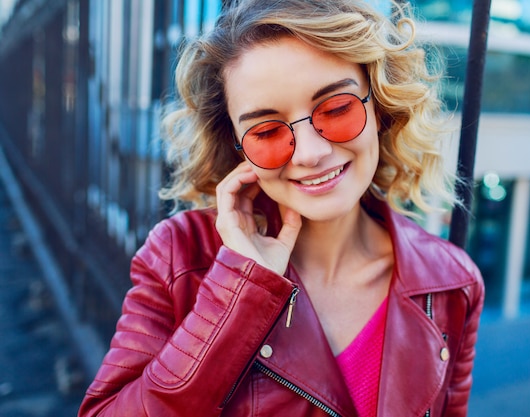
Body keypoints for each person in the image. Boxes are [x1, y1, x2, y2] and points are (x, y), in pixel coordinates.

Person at [78, 0, 484, 416]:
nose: (310, 153)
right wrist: (239, 290)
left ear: (379, 106)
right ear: (237, 149)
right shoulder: (178, 255)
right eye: (267, 131)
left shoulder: (452, 285)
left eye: (337, 108)